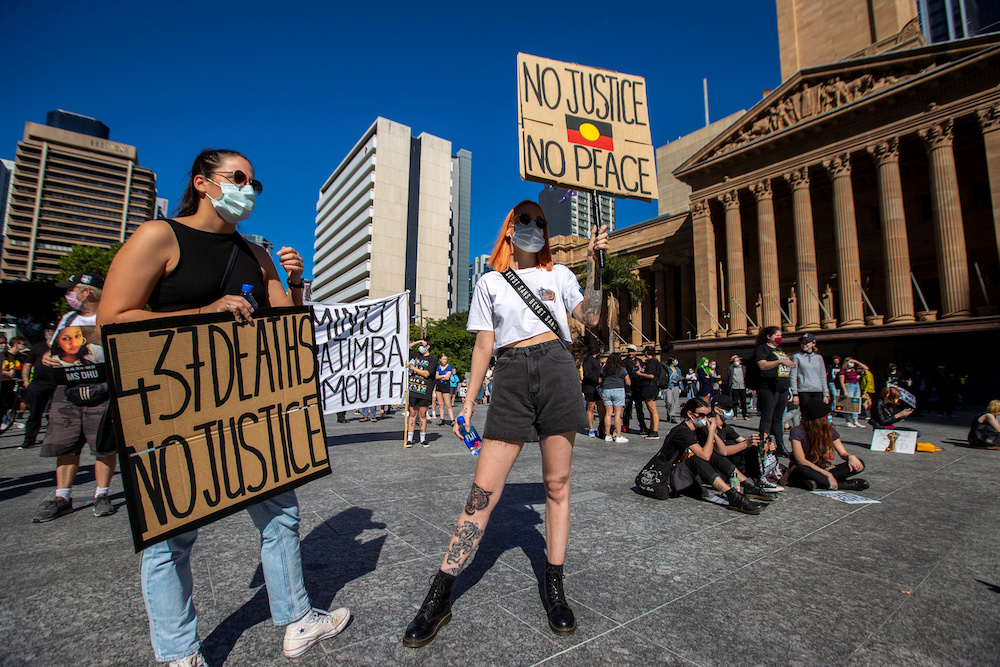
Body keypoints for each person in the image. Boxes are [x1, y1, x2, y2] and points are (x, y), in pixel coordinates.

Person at [96, 148, 350, 665]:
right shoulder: (159, 237)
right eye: (239, 179)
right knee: (170, 537)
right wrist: (202, 313)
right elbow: (111, 320)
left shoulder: (255, 253)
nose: (249, 191)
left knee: (280, 513)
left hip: (245, 408)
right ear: (204, 183)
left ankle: (297, 619)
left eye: (255, 184)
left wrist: (297, 283)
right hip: (173, 412)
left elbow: (288, 327)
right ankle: (179, 653)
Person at [402, 200, 608, 647]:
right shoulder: (490, 282)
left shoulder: (560, 276)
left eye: (540, 221)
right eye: (524, 220)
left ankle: (555, 586)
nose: (533, 226)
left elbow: (590, 317)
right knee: (482, 494)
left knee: (557, 485)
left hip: (556, 367)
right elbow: (482, 347)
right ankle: (439, 595)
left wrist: (595, 264)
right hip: (511, 373)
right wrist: (468, 402)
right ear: (509, 230)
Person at [31, 273, 118, 523]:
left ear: (88, 292)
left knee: (103, 443)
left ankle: (102, 494)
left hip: (101, 389)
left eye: (73, 290)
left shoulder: (110, 316)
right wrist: (48, 357)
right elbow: (55, 350)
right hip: (68, 389)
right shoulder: (68, 318)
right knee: (66, 444)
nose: (70, 295)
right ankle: (62, 497)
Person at [664, 398, 773, 514]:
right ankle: (733, 496)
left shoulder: (700, 429)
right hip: (671, 476)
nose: (705, 419)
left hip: (688, 474)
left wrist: (711, 432)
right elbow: (705, 456)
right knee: (697, 459)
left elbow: (720, 452)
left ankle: (749, 486)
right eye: (702, 415)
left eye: (707, 415)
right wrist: (711, 432)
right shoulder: (682, 431)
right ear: (690, 414)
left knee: (714, 455)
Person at [784, 398, 868, 491]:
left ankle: (816, 482)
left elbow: (843, 453)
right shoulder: (797, 431)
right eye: (827, 416)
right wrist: (826, 474)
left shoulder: (829, 430)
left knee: (858, 464)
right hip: (807, 468)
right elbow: (801, 460)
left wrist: (850, 457)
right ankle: (842, 484)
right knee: (802, 469)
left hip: (823, 467)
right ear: (820, 419)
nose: (829, 418)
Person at [753, 326, 795, 457]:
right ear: (769, 336)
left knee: (778, 418)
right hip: (768, 387)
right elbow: (762, 365)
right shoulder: (762, 349)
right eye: (777, 335)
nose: (779, 337)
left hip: (782, 387)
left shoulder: (779, 349)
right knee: (767, 417)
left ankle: (780, 446)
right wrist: (781, 361)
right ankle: (764, 446)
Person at [18, 323, 57, 449]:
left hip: (57, 384)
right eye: (49, 329)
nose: (50, 331)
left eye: (53, 329)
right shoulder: (37, 346)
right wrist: (26, 380)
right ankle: (29, 439)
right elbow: (28, 364)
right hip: (38, 384)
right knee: (35, 413)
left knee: (57, 413)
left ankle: (55, 439)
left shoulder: (63, 346)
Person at [407, 339, 434, 447]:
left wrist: (412, 367)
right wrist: (418, 341)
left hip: (424, 391)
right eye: (420, 345)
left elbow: (426, 373)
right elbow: (407, 348)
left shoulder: (432, 359)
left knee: (422, 415)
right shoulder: (416, 356)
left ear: (428, 347)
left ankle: (422, 438)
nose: (421, 347)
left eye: (423, 345)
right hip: (414, 389)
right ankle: (410, 438)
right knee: (412, 414)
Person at [790, 332, 828, 408]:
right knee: (806, 415)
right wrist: (795, 393)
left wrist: (826, 394)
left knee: (817, 414)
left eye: (806, 342)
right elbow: (793, 375)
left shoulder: (819, 358)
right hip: (803, 390)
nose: (804, 344)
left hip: (817, 390)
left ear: (813, 344)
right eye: (802, 342)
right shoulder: (797, 356)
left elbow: (823, 376)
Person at [599, 352, 630, 443]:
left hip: (607, 390)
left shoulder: (605, 369)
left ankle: (607, 435)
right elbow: (628, 382)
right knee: (617, 414)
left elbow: (600, 380)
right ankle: (618, 436)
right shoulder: (622, 369)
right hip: (618, 390)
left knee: (608, 414)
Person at [635, 346, 661, 440]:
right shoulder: (652, 361)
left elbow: (651, 375)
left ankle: (655, 431)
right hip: (649, 387)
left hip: (650, 387)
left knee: (653, 409)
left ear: (646, 352)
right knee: (651, 410)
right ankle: (651, 429)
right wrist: (640, 368)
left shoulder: (652, 362)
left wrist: (639, 374)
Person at [838, 356, 869, 428]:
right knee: (848, 403)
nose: (852, 364)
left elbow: (866, 368)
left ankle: (856, 421)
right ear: (846, 363)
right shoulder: (842, 371)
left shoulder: (854, 370)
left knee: (856, 403)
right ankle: (848, 421)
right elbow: (842, 382)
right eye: (850, 362)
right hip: (848, 386)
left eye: (853, 363)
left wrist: (857, 362)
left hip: (856, 385)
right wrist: (845, 391)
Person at [622, 344, 646, 434]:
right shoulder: (624, 362)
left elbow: (643, 372)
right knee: (627, 408)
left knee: (639, 408)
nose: (630, 353)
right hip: (628, 388)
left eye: (632, 351)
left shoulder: (639, 361)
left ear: (635, 352)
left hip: (638, 387)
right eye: (629, 351)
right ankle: (626, 425)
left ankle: (642, 426)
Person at [581, 342, 602, 437]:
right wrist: (597, 379)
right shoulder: (588, 360)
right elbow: (587, 374)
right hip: (590, 387)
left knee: (601, 407)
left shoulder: (596, 360)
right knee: (591, 407)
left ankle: (602, 427)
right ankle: (591, 428)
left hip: (598, 387)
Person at [435, 354, 456, 426]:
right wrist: (444, 375)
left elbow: (447, 377)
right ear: (440, 360)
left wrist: (441, 377)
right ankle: (442, 419)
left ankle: (452, 420)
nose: (444, 361)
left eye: (445, 359)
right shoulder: (438, 367)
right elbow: (436, 376)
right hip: (439, 385)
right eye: (443, 359)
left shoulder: (449, 367)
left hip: (445, 385)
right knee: (440, 404)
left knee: (448, 404)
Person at [727, 355, 748, 420]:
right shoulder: (731, 368)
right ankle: (735, 415)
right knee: (735, 402)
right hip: (734, 387)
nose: (736, 362)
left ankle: (745, 415)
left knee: (743, 402)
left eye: (737, 361)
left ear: (740, 361)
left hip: (742, 386)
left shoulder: (744, 368)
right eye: (735, 361)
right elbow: (729, 377)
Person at [663, 357, 682, 424]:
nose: (676, 361)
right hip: (669, 386)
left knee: (675, 401)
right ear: (672, 361)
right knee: (669, 401)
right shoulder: (667, 369)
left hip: (676, 386)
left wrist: (680, 379)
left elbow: (680, 376)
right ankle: (668, 413)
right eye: (675, 360)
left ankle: (672, 416)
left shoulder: (678, 370)